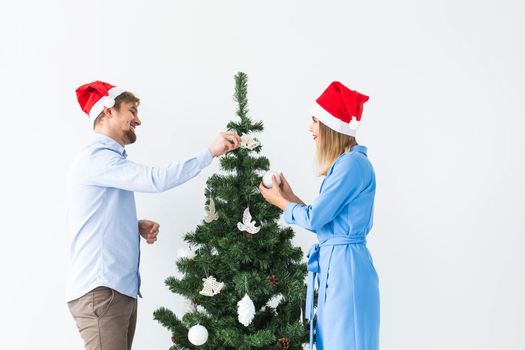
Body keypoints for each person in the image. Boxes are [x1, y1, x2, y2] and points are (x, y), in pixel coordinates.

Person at [66, 80, 241, 350]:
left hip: (115, 291)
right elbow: (155, 179)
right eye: (132, 111)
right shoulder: (97, 159)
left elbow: (94, 218)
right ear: (108, 110)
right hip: (102, 292)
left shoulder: (107, 162)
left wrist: (131, 225)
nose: (138, 120)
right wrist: (210, 153)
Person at [259, 81, 379, 350]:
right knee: (335, 340)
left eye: (315, 122)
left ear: (330, 126)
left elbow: (315, 219)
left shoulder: (351, 165)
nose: (310, 129)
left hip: (346, 268)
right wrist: (290, 199)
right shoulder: (347, 164)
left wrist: (281, 203)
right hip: (339, 264)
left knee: (346, 342)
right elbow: (327, 223)